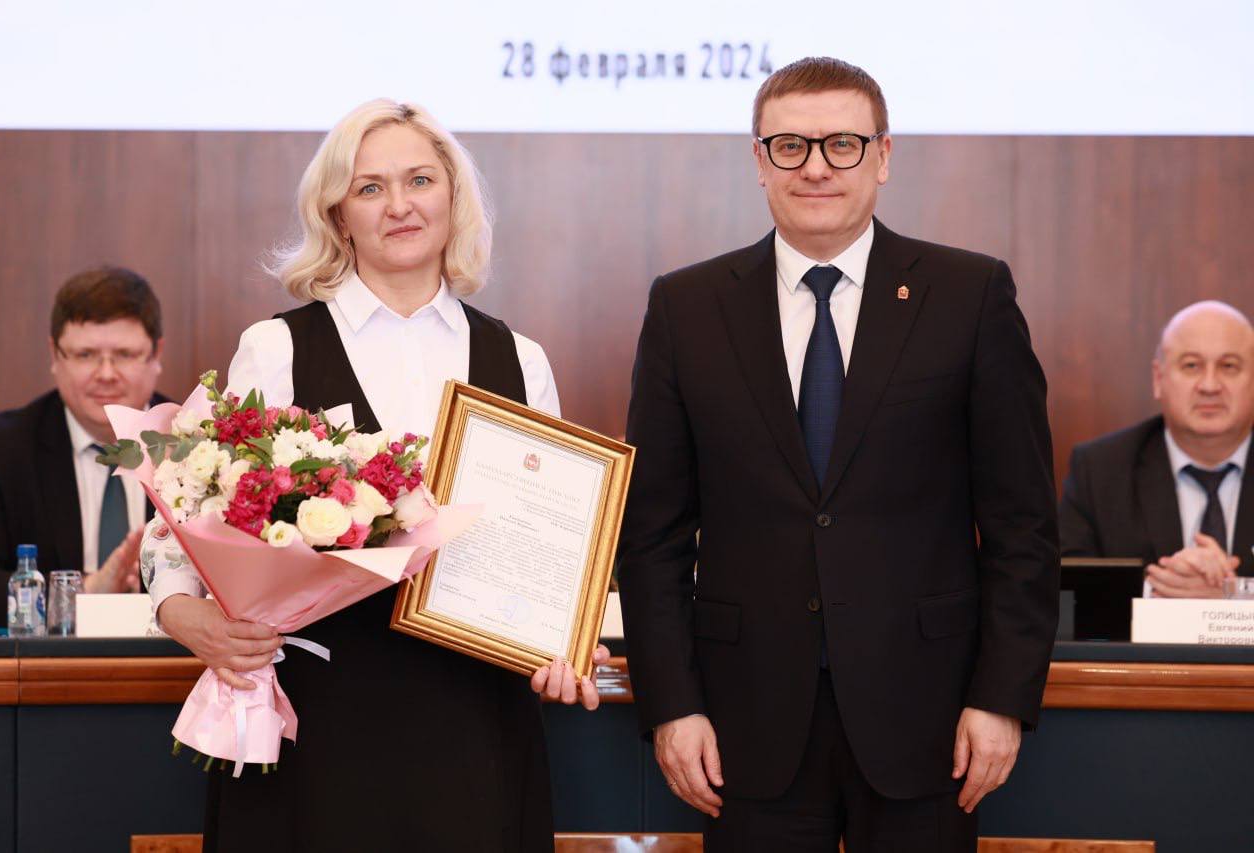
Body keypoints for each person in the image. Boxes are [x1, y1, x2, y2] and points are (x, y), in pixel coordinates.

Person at [617, 57, 1059, 851]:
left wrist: (1003, 695)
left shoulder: (969, 295)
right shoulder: (686, 306)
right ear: (759, 161)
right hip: (744, 727)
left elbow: (1022, 525)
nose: (816, 166)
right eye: (790, 145)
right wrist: (672, 704)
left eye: (842, 144)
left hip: (931, 722)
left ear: (883, 156)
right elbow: (651, 535)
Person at [147, 99, 607, 853]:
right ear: (338, 214)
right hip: (322, 714)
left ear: (452, 196)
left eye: (420, 180)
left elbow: (550, 544)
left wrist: (564, 642)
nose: (399, 205)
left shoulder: (521, 360)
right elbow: (182, 515)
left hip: (477, 717)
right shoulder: (276, 348)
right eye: (370, 187)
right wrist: (181, 614)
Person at [0, 267, 167, 626]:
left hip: (177, 656)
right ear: (55, 354)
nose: (106, 374)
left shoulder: (199, 444)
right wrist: (83, 594)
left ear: (156, 354)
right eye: (85, 355)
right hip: (52, 660)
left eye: (125, 354)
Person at [1060, 301, 1254, 597]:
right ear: (1158, 378)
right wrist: (1162, 590)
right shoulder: (1100, 471)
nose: (1210, 385)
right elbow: (1067, 591)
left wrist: (1231, 594)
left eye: (1229, 366)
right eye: (1191, 365)